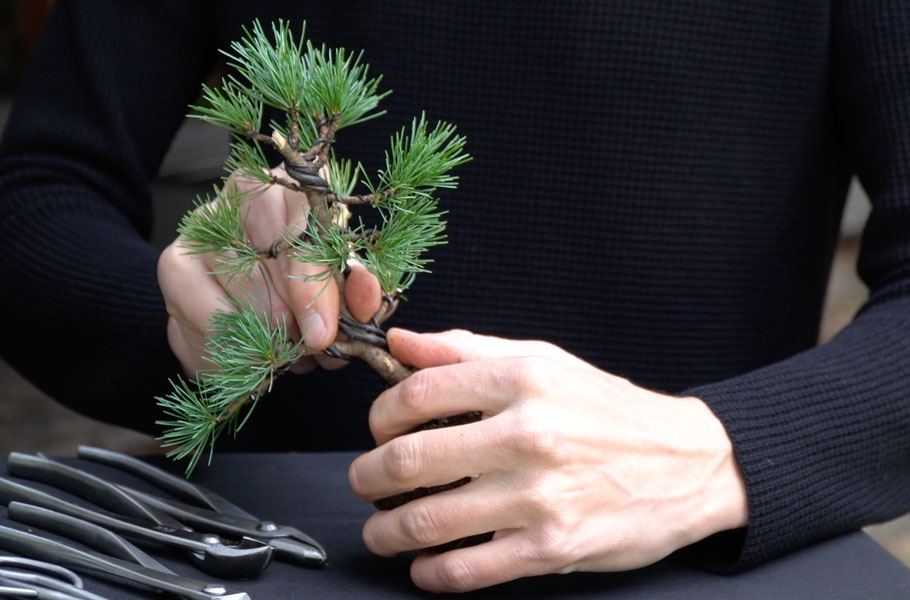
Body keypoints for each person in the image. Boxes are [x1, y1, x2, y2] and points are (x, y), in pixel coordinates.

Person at [1, 0, 909, 593]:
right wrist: (197, 321)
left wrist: (722, 450)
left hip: (699, 563)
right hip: (274, 549)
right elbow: (38, 194)